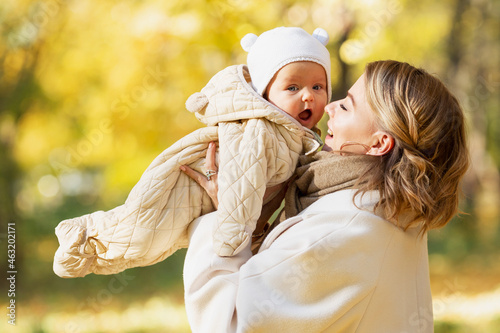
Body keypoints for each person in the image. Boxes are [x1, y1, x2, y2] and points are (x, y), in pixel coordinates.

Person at [181, 60, 470, 332]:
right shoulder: (389, 212)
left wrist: (224, 217)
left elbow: (230, 323)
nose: (329, 106)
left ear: (379, 143)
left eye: (346, 106)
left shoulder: (344, 230)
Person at [53, 27, 331, 278]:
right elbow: (243, 182)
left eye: (317, 87)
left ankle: (86, 250)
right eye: (292, 87)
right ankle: (81, 233)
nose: (308, 96)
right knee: (141, 236)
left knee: (152, 245)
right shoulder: (260, 129)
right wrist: (231, 242)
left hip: (209, 200)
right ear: (265, 93)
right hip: (186, 184)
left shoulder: (295, 138)